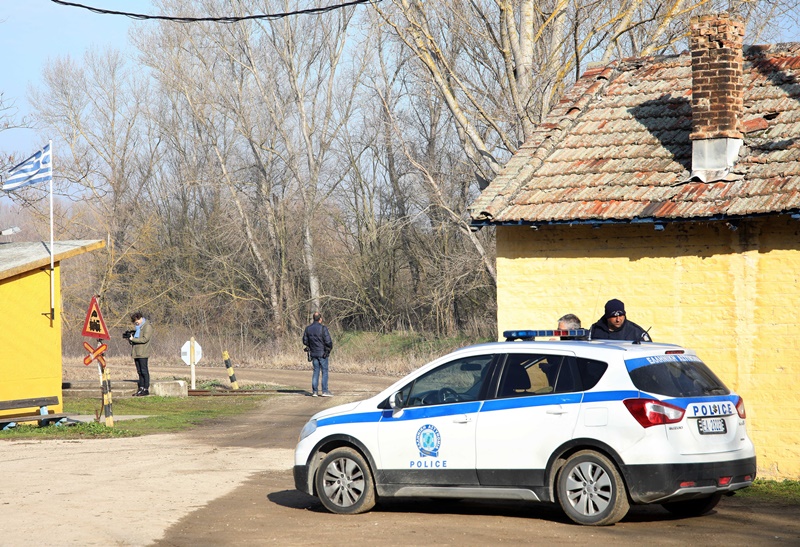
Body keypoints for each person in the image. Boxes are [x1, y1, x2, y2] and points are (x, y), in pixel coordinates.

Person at [303, 312, 333, 397]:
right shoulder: (323, 328)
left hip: (313, 353)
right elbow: (328, 341)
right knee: (324, 372)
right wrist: (329, 349)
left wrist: (310, 346)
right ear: (320, 319)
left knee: (316, 371)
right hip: (322, 353)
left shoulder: (308, 329)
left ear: (313, 319)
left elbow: (305, 341)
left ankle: (315, 391)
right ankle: (325, 391)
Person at [129, 311, 154, 396]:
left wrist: (133, 339)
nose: (136, 323)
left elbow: (144, 339)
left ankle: (145, 388)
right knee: (139, 371)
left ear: (140, 318)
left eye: (136, 321)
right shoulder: (138, 328)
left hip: (143, 352)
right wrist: (130, 339)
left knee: (144, 371)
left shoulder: (147, 326)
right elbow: (136, 339)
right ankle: (141, 388)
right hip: (136, 352)